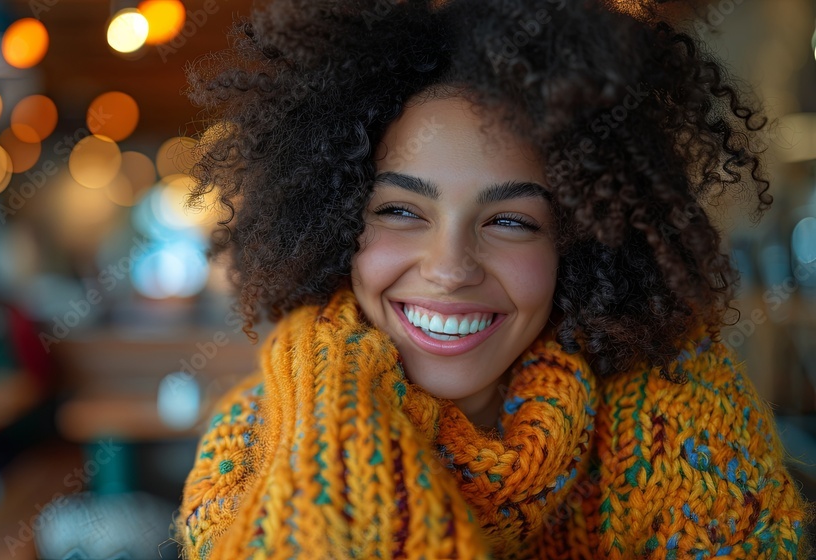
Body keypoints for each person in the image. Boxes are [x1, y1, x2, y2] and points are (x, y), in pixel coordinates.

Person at [176, 0, 813, 557]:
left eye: (511, 220)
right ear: (333, 222)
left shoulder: (689, 417)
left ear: (583, 242)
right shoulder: (248, 456)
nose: (450, 268)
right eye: (401, 211)